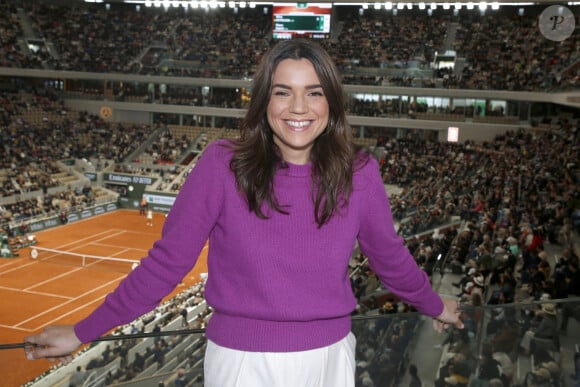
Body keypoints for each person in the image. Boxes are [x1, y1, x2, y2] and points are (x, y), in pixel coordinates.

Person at [23, 39, 463, 387]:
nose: (297, 108)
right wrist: (84, 331)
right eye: (282, 92)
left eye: (313, 93)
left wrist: (432, 303)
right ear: (263, 102)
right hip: (240, 365)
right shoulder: (221, 164)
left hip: (330, 358)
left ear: (331, 104)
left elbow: (389, 258)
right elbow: (166, 264)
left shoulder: (360, 172)